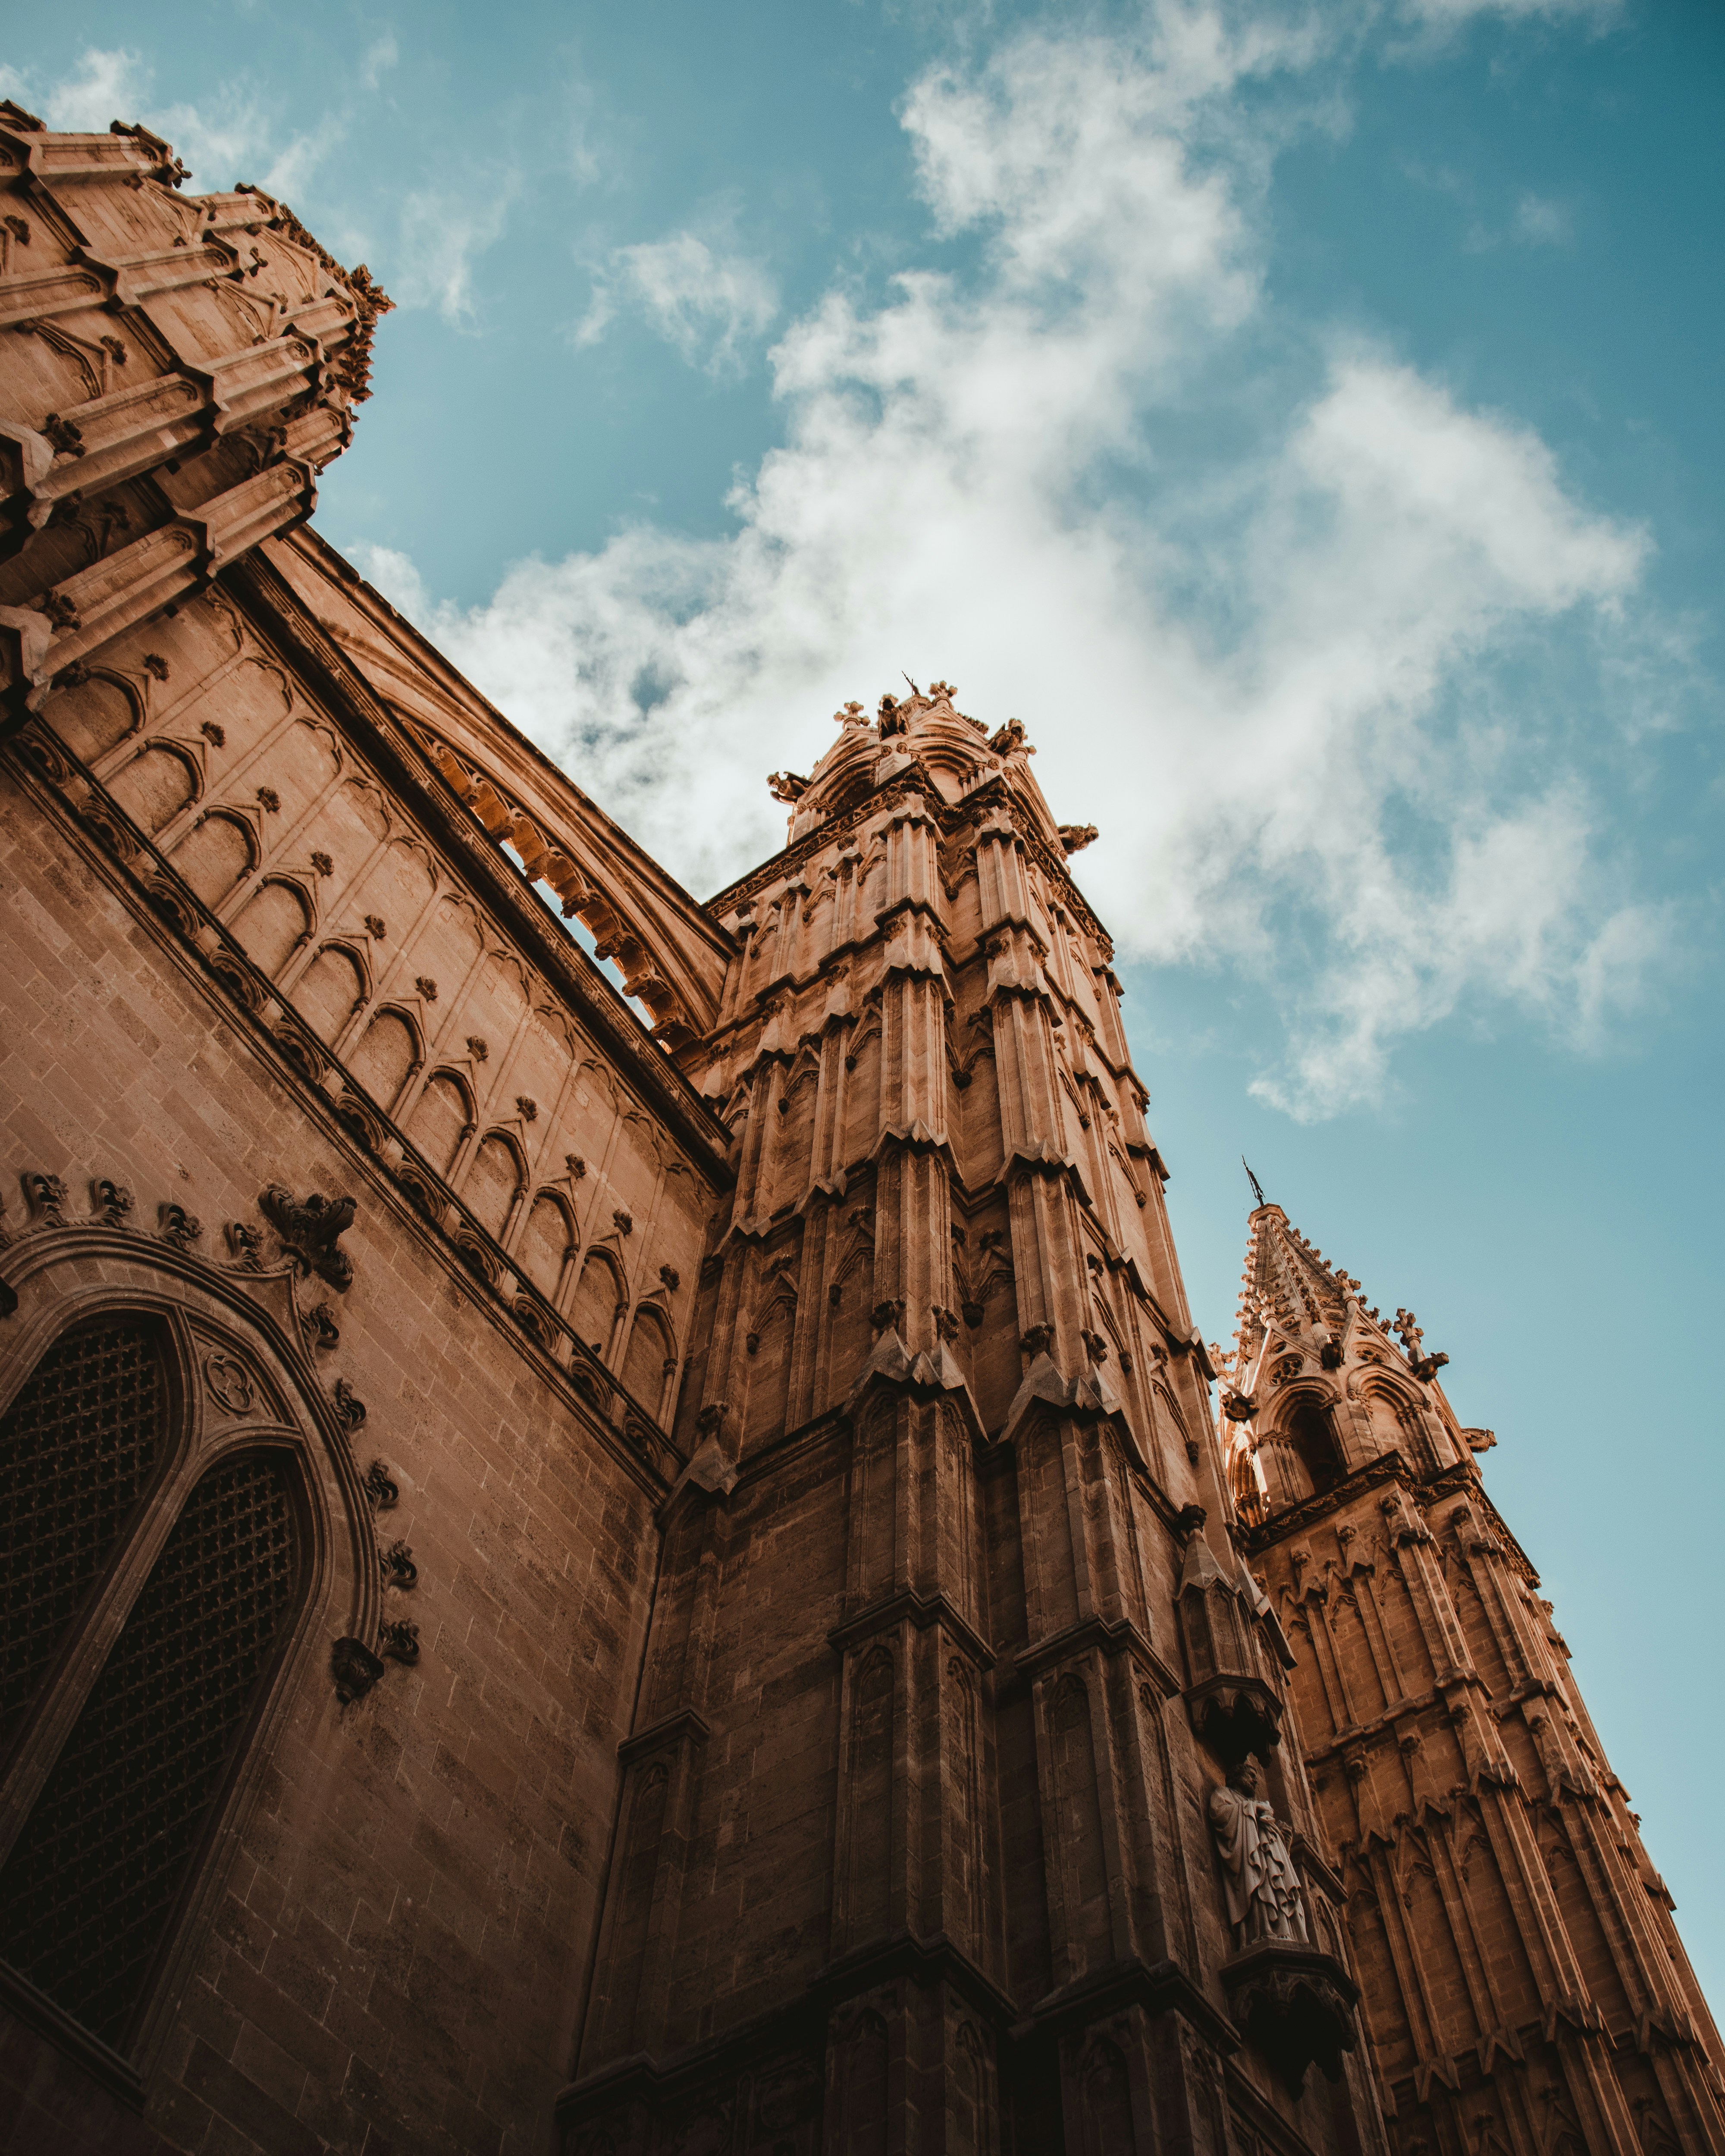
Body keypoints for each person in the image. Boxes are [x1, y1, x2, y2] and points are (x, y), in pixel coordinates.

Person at [1208, 1758, 1308, 1950]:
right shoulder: (1224, 1794)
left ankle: (1285, 1931)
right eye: (1251, 1776)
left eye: (1256, 1777)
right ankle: (1263, 1931)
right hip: (1253, 1864)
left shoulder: (1255, 1804)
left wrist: (1281, 1835)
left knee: (1278, 1892)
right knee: (1260, 1892)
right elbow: (1218, 1813)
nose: (1256, 1781)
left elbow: (1276, 1854)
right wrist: (1253, 1809)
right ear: (1236, 1776)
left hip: (1269, 1865)